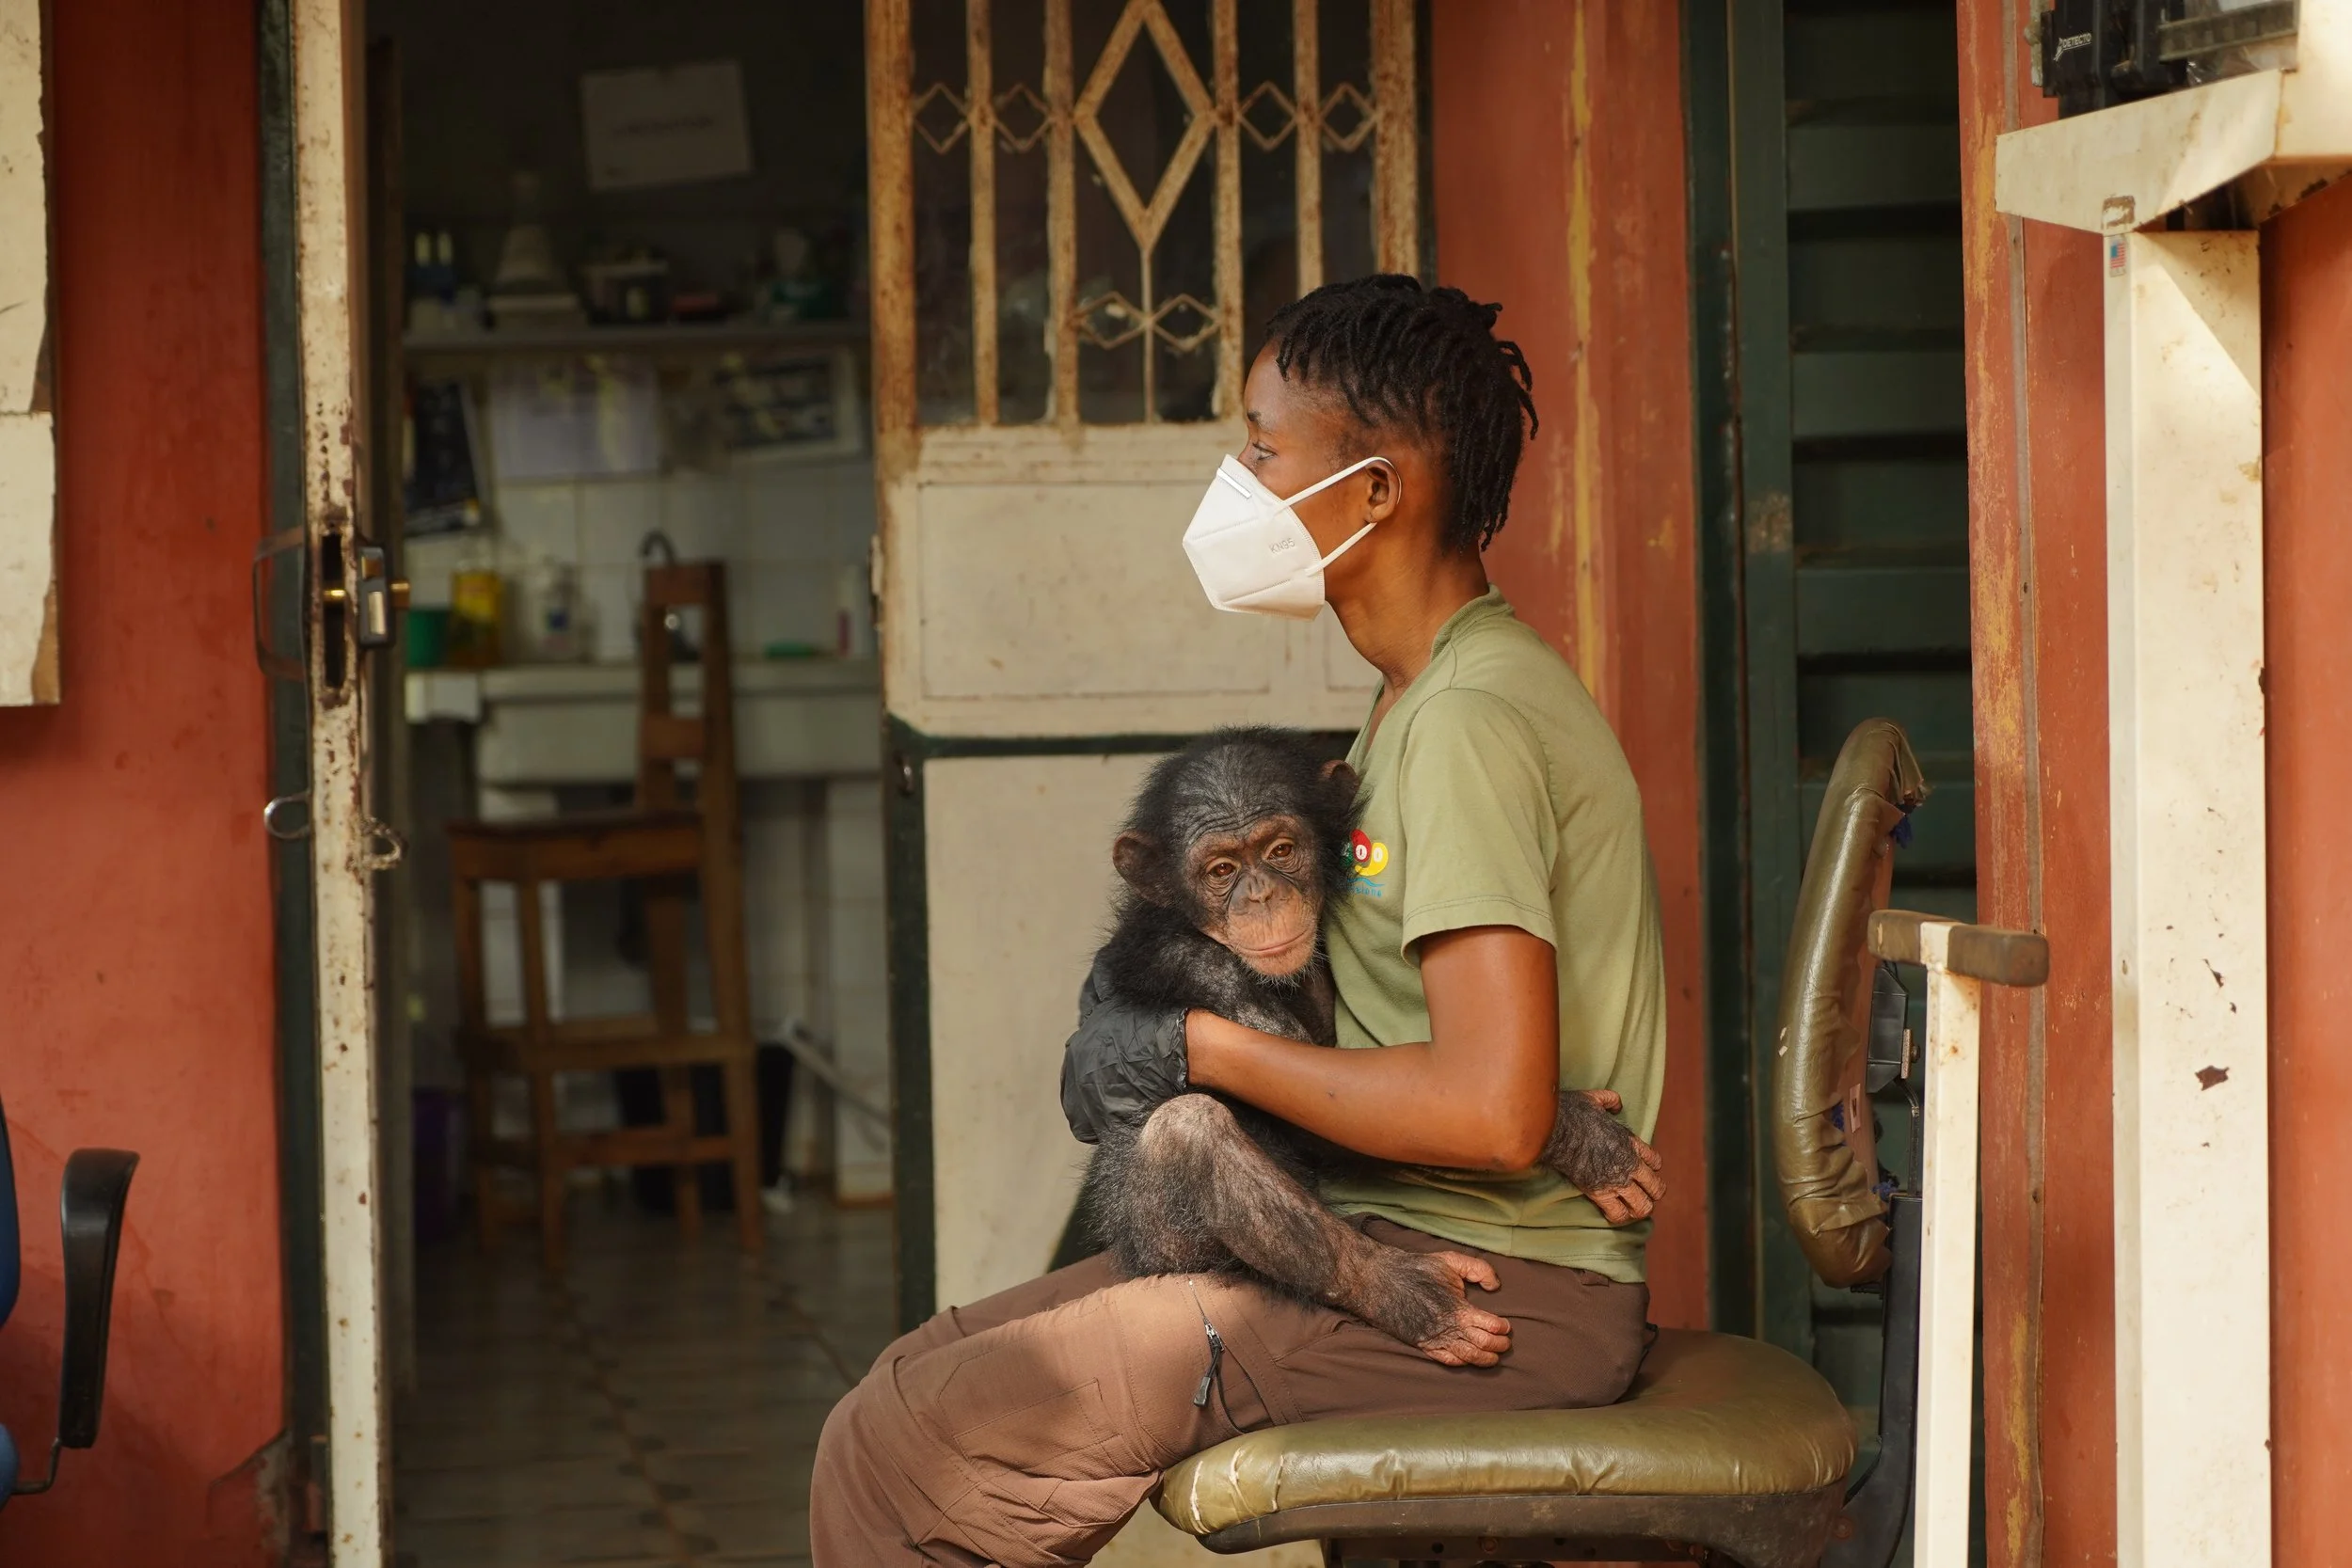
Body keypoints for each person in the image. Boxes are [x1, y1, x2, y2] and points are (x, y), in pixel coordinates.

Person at [812, 276, 1671, 1568]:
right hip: (1390, 1234)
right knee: (907, 1381)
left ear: (1374, 491)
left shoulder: (1463, 724)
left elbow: (1493, 1106)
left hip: (1492, 1286)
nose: (1239, 477)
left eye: (1264, 446)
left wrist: (1194, 1052)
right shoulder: (1411, 705)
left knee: (903, 1448)